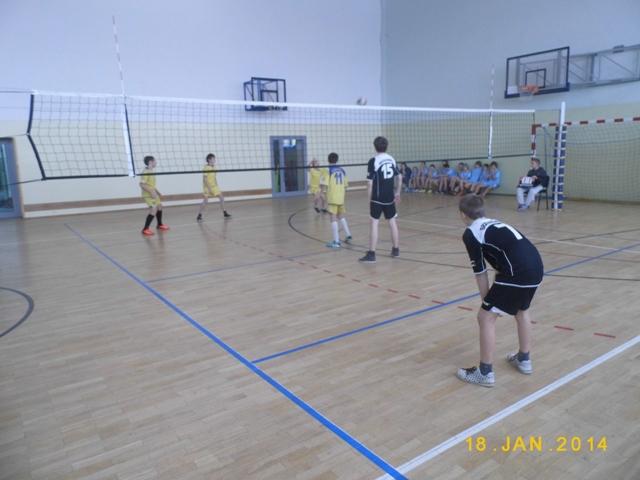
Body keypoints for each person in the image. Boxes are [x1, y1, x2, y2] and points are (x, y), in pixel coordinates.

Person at [456, 194, 543, 387]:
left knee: (485, 317)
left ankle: (485, 373)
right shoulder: (494, 223)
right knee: (522, 310)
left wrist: (487, 303)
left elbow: (480, 272)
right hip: (536, 267)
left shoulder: (471, 233)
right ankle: (524, 359)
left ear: (462, 215)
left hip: (516, 273)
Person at [359, 136, 401, 263]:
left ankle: (371, 254)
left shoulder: (373, 161)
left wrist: (369, 199)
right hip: (390, 197)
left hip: (377, 198)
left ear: (375, 146)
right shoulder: (391, 159)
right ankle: (396, 250)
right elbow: (399, 177)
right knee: (392, 222)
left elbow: (370, 183)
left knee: (374, 223)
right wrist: (398, 192)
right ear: (386, 146)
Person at [322, 152, 352, 248]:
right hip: (341, 197)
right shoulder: (342, 170)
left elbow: (325, 185)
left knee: (333, 217)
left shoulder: (328, 170)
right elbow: (346, 185)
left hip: (332, 197)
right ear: (337, 160)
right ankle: (348, 235)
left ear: (328, 160)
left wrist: (323, 194)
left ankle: (336, 241)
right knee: (340, 215)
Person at [139, 155, 170, 236]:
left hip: (153, 194)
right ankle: (145, 229)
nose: (156, 162)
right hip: (148, 195)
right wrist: (151, 192)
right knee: (153, 209)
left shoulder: (151, 171)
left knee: (159, 206)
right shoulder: (145, 172)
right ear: (150, 162)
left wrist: (158, 192)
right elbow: (142, 185)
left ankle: (159, 225)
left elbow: (151, 185)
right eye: (155, 161)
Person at [197, 153, 231, 222]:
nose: (214, 160)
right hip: (207, 187)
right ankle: (199, 215)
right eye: (213, 159)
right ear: (209, 160)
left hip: (214, 186)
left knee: (221, 198)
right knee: (205, 201)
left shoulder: (214, 167)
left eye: (214, 159)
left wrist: (216, 185)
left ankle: (225, 213)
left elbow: (214, 177)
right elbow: (205, 179)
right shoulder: (206, 168)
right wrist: (209, 188)